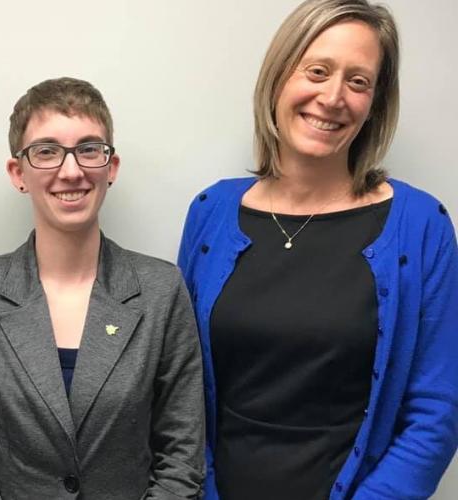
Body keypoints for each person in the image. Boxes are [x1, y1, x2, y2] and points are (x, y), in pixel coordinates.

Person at [177, 0, 458, 499]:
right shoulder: (210, 213)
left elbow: (436, 411)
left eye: (358, 81)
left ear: (375, 102)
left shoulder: (421, 226)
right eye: (318, 71)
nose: (332, 97)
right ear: (280, 77)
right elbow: (181, 388)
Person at [0, 77, 205, 498]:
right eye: (46, 152)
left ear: (110, 167)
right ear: (17, 172)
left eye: (89, 149)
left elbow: (182, 454)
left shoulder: (160, 290)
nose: (72, 170)